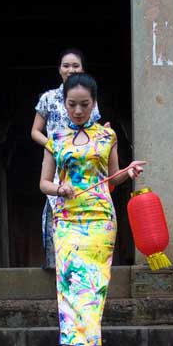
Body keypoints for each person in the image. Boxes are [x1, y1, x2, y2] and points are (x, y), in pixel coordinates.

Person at [39, 73, 143, 346]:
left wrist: (129, 171)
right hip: (67, 216)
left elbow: (113, 177)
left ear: (93, 103)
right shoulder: (55, 138)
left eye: (84, 104)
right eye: (72, 104)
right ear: (64, 103)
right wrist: (60, 188)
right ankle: (69, 345)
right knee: (70, 278)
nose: (78, 110)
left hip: (100, 217)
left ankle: (93, 339)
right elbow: (44, 183)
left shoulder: (107, 135)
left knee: (96, 280)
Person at [31, 48, 101, 269]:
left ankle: (85, 262)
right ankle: (57, 265)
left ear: (83, 69)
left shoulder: (89, 97)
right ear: (59, 69)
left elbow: (94, 128)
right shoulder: (48, 98)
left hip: (82, 163)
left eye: (75, 66)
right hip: (56, 163)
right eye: (66, 65)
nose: (70, 69)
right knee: (55, 211)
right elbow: (35, 131)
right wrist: (55, 148)